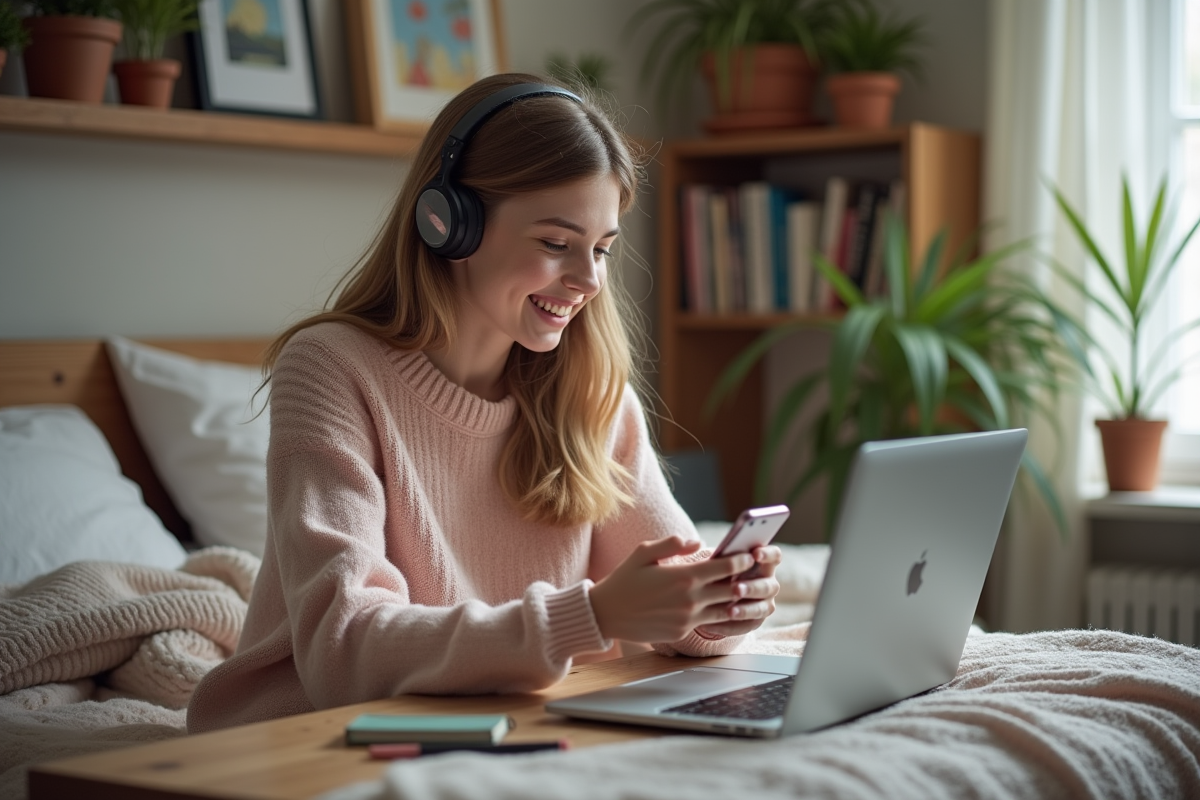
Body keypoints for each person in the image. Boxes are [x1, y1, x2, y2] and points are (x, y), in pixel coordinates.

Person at [187, 73, 783, 734]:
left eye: (601, 249)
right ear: (449, 223)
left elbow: (673, 596)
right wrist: (592, 617)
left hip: (517, 723)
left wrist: (722, 604)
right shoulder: (332, 367)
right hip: (312, 739)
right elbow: (344, 649)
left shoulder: (590, 391)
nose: (588, 280)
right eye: (555, 244)